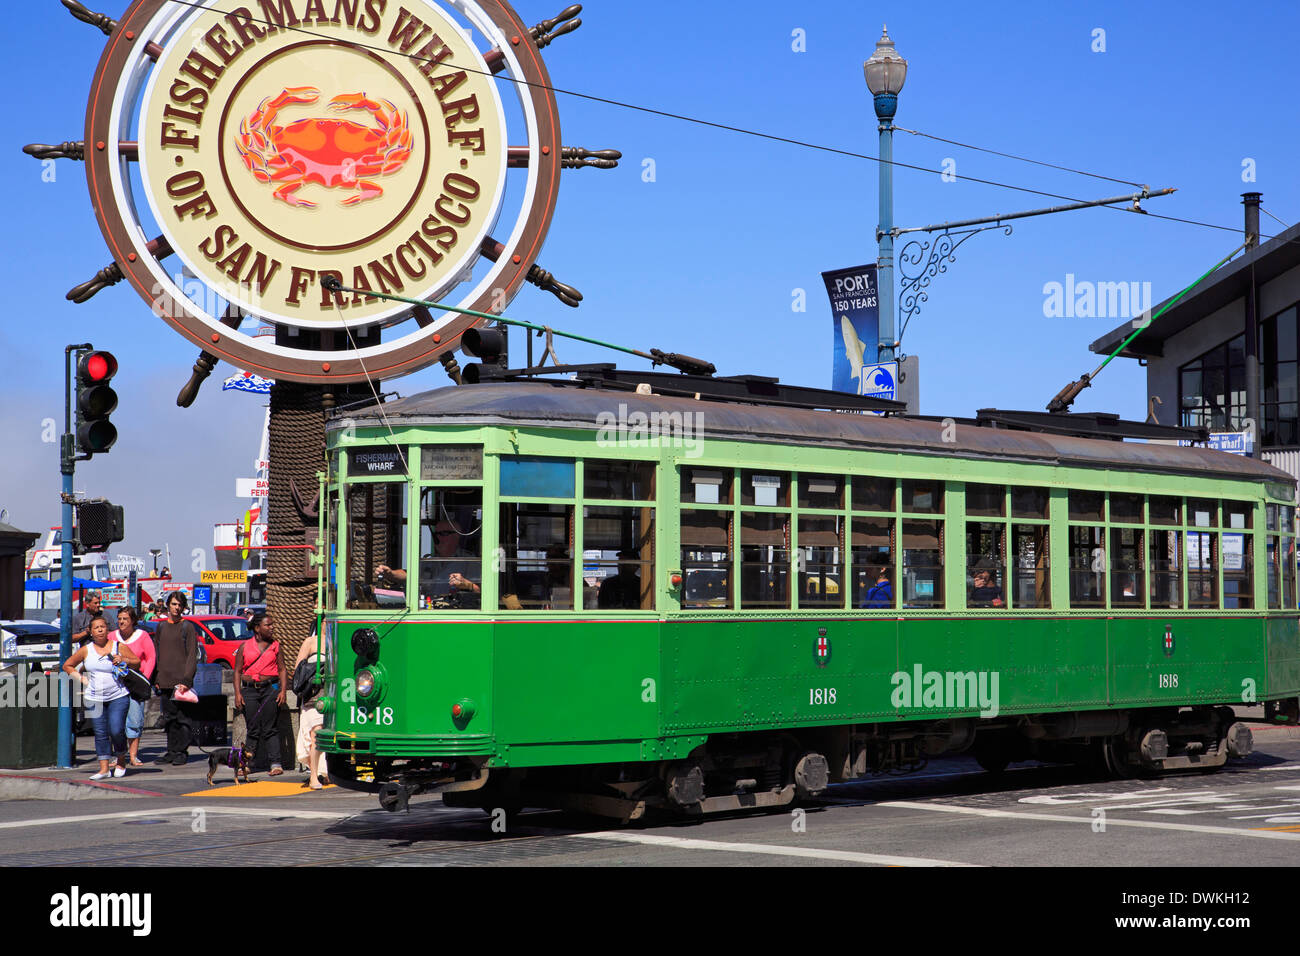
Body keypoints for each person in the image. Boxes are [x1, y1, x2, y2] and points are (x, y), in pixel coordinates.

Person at [62, 615, 140, 780]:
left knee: (116, 729)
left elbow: (137, 661)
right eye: (96, 628)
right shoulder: (86, 650)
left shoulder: (118, 646)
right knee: (100, 732)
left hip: (118, 695)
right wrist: (81, 679)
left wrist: (123, 659)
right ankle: (104, 769)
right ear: (90, 631)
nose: (99, 630)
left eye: (102, 627)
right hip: (94, 697)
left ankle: (120, 760)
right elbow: (67, 665)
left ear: (107, 629)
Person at [234, 611, 288, 776]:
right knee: (253, 727)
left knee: (270, 727)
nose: (272, 628)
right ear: (257, 628)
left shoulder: (275, 646)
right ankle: (247, 763)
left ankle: (275, 763)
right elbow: (237, 671)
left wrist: (283, 691)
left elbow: (282, 669)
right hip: (250, 690)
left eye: (272, 624)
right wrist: (237, 693)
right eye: (268, 625)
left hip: (270, 689)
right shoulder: (244, 646)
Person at [154, 592, 198, 766]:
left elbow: (192, 655)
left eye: (179, 605)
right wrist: (156, 676)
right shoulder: (161, 627)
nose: (176, 608)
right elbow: (157, 652)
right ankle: (171, 751)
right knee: (169, 718)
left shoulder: (187, 627)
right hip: (164, 679)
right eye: (173, 604)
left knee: (183, 719)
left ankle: (181, 751)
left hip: (181, 682)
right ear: (167, 605)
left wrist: (187, 679)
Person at [112, 606, 155, 767]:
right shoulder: (112, 636)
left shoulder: (142, 636)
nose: (122, 622)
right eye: (120, 618)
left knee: (134, 720)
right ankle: (118, 755)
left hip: (135, 684)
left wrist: (145, 678)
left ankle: (133, 755)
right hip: (116, 685)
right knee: (117, 723)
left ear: (133, 621)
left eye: (125, 619)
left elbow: (151, 657)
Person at [292, 634, 329, 790]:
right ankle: (314, 775)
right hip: (315, 693)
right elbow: (298, 670)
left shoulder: (340, 638)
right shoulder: (310, 641)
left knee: (329, 733)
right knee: (317, 733)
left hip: (335, 692)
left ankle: (326, 771)